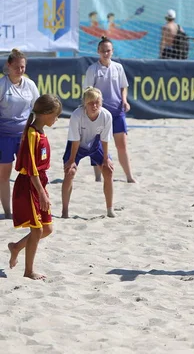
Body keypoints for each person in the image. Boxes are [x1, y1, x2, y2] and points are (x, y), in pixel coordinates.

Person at [8, 94, 62, 280]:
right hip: (29, 185)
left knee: (46, 229)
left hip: (39, 184)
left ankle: (16, 247)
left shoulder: (41, 132)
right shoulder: (32, 134)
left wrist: (43, 190)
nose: (57, 118)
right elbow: (31, 169)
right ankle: (28, 271)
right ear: (45, 114)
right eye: (55, 114)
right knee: (37, 229)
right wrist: (42, 193)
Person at [84, 36, 136, 183]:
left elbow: (123, 86)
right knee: (98, 144)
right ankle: (98, 176)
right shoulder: (92, 69)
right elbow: (88, 91)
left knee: (122, 145)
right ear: (98, 52)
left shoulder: (118, 67)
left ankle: (129, 177)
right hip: (99, 112)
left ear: (112, 51)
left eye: (108, 51)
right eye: (103, 51)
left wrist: (124, 100)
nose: (106, 53)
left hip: (117, 111)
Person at [61, 88, 115, 218]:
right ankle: (65, 211)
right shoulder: (77, 115)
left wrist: (106, 159)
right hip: (77, 146)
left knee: (108, 171)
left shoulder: (106, 115)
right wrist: (72, 160)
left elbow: (105, 139)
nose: (94, 105)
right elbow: (75, 139)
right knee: (70, 172)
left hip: (95, 144)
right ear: (85, 103)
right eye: (91, 102)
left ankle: (110, 209)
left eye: (97, 102)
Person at [0, 49, 40, 219]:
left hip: (24, 135)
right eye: (17, 67)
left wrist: (35, 130)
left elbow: (37, 109)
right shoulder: (2, 85)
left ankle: (30, 208)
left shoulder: (29, 85)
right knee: (4, 174)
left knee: (31, 173)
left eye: (23, 67)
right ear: (8, 66)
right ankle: (8, 212)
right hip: (4, 136)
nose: (20, 70)